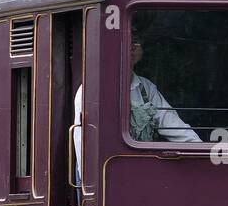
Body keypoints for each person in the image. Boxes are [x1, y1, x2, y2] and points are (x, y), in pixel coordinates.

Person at [72, 27, 200, 180]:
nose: (132, 47)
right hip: (104, 173)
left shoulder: (146, 88)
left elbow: (172, 124)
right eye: (126, 42)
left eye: (136, 43)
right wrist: (90, 180)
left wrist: (200, 150)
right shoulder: (91, 89)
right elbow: (83, 140)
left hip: (140, 168)